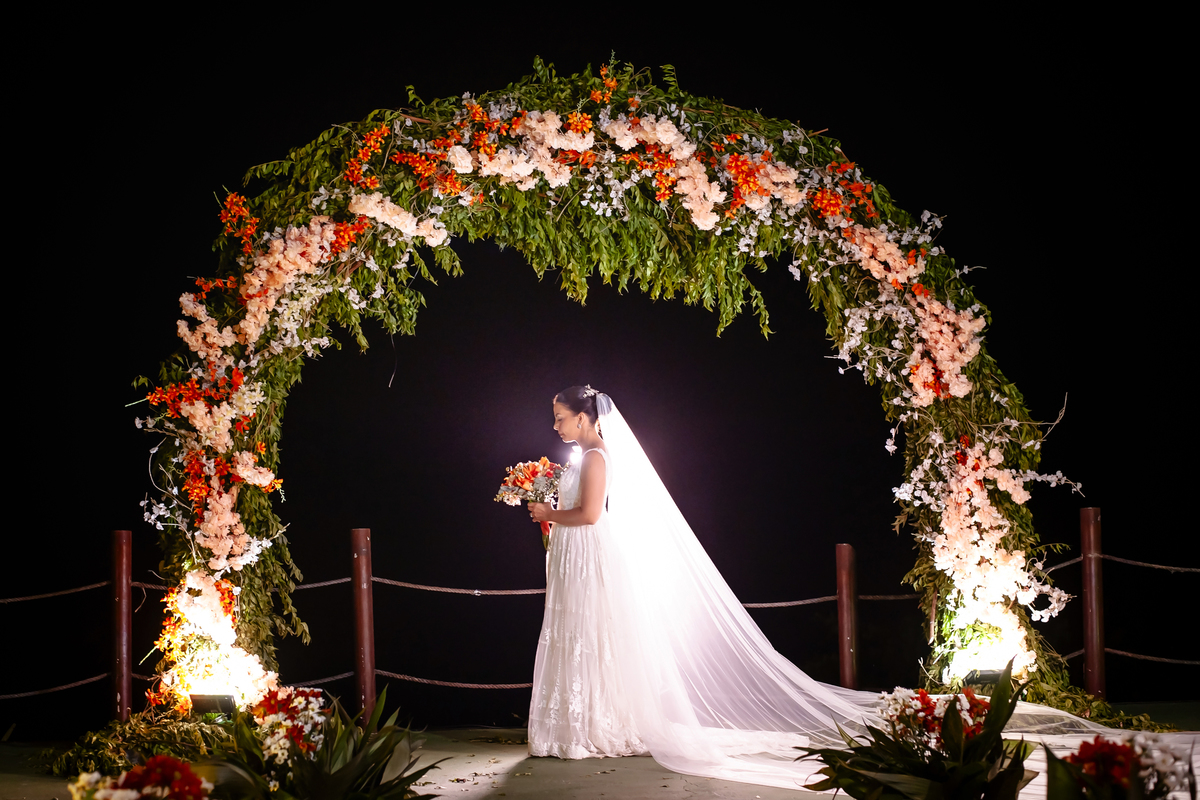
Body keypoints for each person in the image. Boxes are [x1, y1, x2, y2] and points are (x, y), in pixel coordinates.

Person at [523, 386, 1196, 793]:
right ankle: (585, 720)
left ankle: (596, 725)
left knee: (594, 638)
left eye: (560, 416)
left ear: (585, 417)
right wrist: (547, 506)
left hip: (591, 553)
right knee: (585, 638)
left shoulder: (601, 456)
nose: (555, 425)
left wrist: (549, 511)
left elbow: (591, 516)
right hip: (578, 559)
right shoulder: (582, 456)